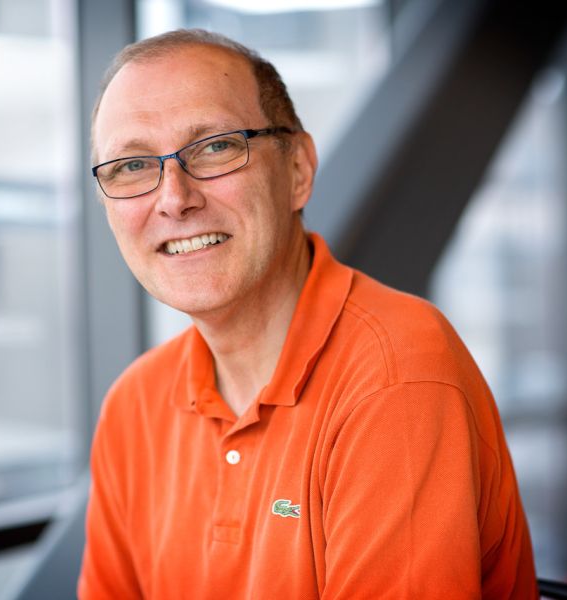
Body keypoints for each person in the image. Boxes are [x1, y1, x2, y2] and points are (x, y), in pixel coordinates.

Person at [78, 29, 538, 599]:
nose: (175, 197)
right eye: (131, 165)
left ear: (297, 170)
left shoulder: (396, 377)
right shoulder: (134, 406)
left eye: (217, 145)